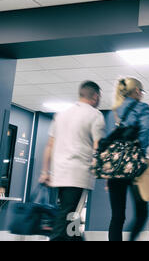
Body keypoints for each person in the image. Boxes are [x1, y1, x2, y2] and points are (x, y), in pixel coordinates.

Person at [39, 81, 105, 241]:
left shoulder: (61, 114)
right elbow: (99, 147)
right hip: (78, 175)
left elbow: (49, 145)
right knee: (67, 217)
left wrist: (44, 172)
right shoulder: (95, 115)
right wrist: (104, 171)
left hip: (59, 174)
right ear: (95, 96)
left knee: (70, 216)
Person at [105, 77, 149, 241]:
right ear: (138, 91)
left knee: (117, 216)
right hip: (134, 167)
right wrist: (142, 155)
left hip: (114, 168)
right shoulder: (142, 107)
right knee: (142, 212)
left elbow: (109, 141)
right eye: (142, 91)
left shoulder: (113, 112)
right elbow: (145, 134)